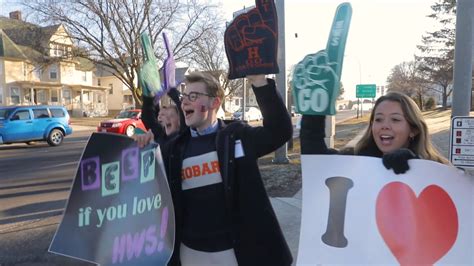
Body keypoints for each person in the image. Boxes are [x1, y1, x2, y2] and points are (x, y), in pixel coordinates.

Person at [136, 71, 293, 265]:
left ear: (215, 103)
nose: (184, 102)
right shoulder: (174, 149)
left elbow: (280, 131)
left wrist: (259, 82)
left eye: (193, 96)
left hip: (235, 254)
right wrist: (141, 147)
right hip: (190, 253)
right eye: (185, 96)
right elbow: (143, 186)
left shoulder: (237, 137)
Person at [300, 91, 449, 173]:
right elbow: (316, 160)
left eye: (395, 120)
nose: (384, 126)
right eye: (378, 119)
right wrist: (314, 107)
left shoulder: (437, 170)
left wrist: (416, 166)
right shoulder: (353, 159)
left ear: (414, 129)